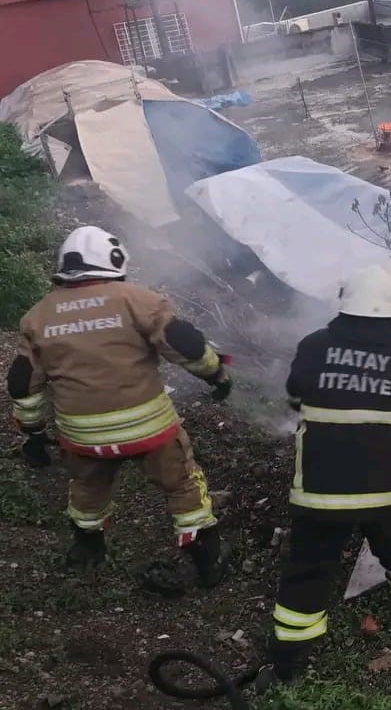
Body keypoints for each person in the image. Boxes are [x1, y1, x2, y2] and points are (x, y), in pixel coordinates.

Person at [6, 225, 232, 584]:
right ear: (115, 260)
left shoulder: (38, 317)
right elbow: (186, 347)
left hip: (82, 436)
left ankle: (87, 547)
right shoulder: (138, 300)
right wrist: (216, 374)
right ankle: (205, 557)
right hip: (150, 430)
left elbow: (23, 384)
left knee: (86, 487)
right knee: (182, 483)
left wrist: (33, 433)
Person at [270, 264, 391, 680]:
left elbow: (295, 392)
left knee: (309, 569)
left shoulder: (313, 346)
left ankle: (290, 663)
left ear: (344, 303)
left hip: (321, 491)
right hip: (385, 492)